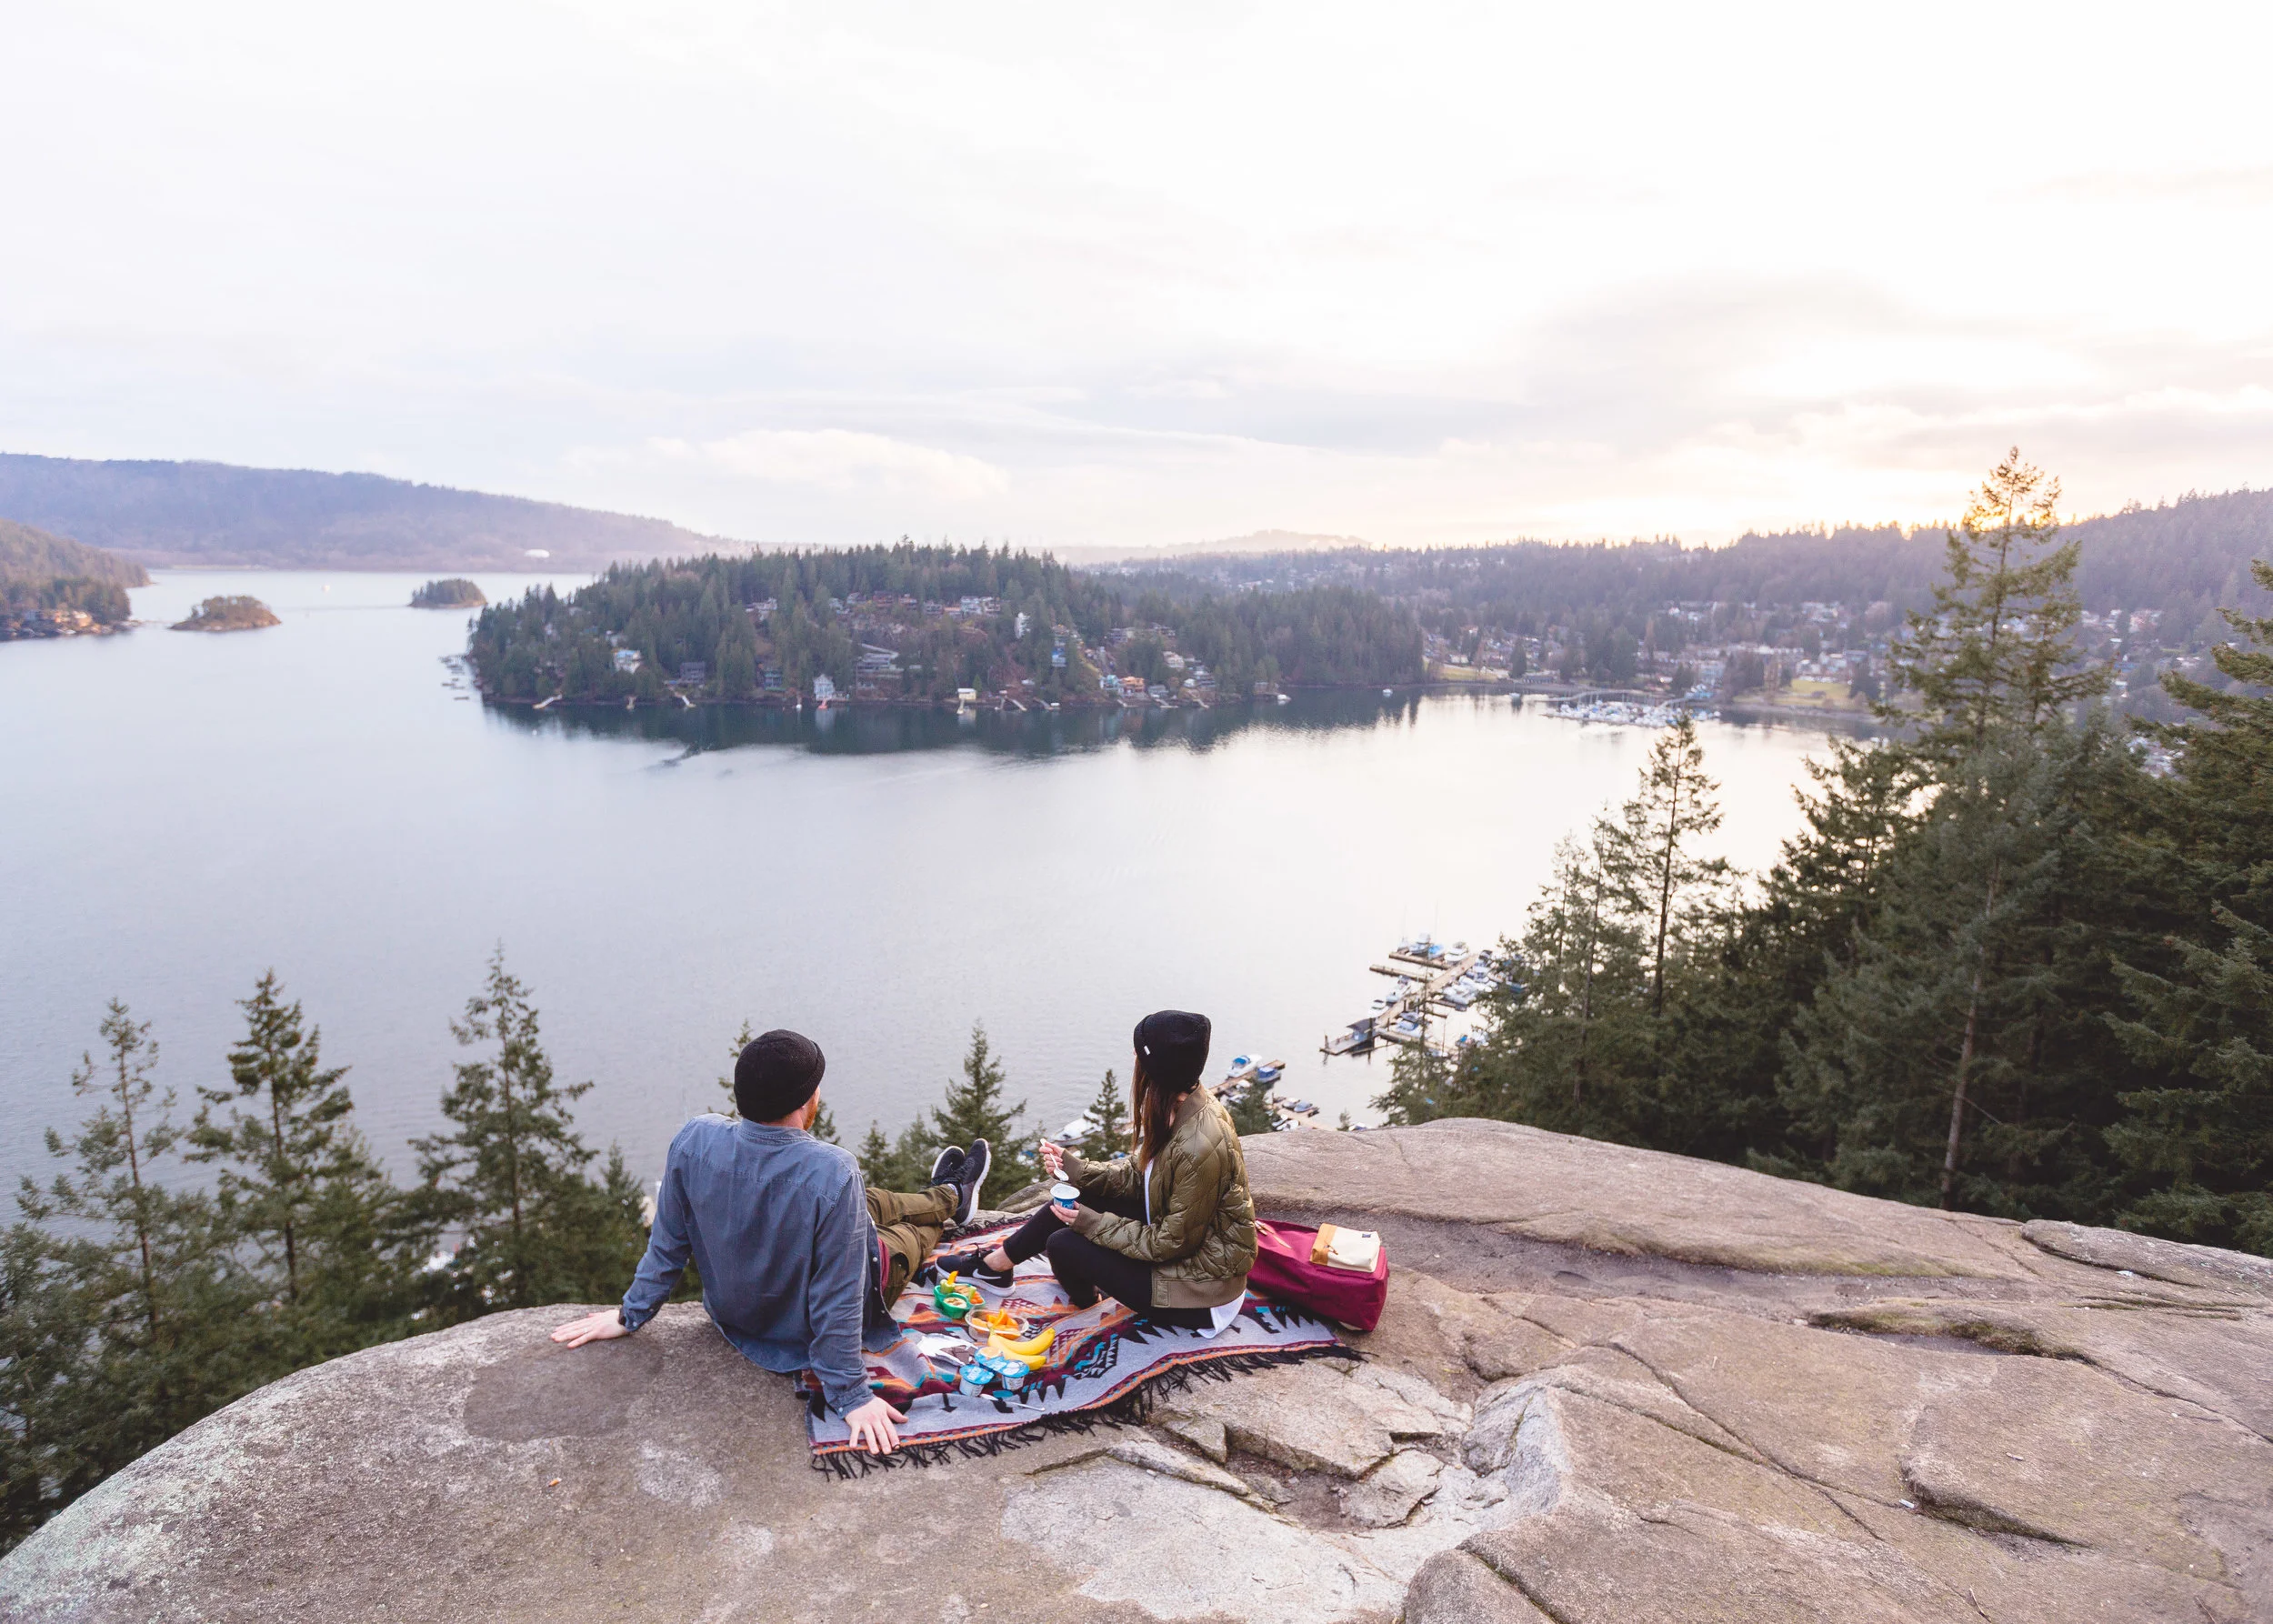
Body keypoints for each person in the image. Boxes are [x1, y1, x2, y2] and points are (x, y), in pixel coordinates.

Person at [550, 1028, 990, 1456]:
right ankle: (950, 1205)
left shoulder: (694, 1139)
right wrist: (850, 1394)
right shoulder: (833, 1169)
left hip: (733, 1316)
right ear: (808, 1098)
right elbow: (839, 1296)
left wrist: (631, 1314)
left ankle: (950, 1195)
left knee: (869, 1200)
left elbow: (668, 1243)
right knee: (906, 1238)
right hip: (796, 1330)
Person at [938, 1010, 1255, 1333]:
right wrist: (1075, 1169)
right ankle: (996, 1267)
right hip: (1180, 1250)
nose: (1133, 1056)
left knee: (1064, 1243)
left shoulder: (1198, 1146)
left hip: (1200, 1291)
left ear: (1158, 1068)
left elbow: (1169, 1243)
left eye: (1140, 1052)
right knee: (1076, 1199)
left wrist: (1092, 1224)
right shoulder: (1180, 1108)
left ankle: (1087, 1300)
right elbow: (1138, 1179)